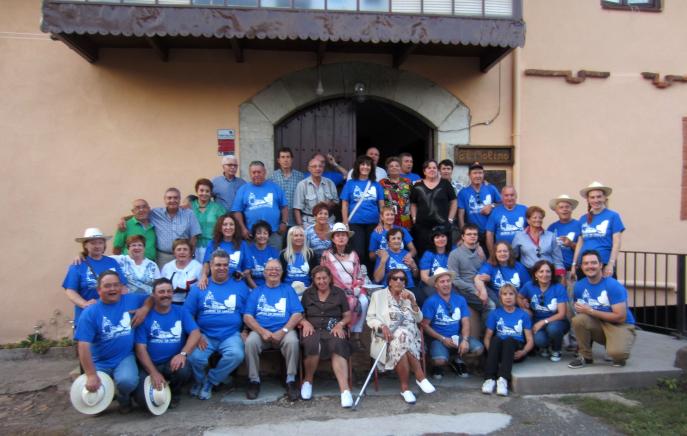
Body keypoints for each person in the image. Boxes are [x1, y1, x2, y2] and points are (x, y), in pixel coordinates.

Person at [74, 271, 150, 413]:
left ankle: (123, 397)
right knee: (94, 393)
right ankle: (102, 399)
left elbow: (150, 298)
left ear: (121, 287)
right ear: (99, 290)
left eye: (116, 285)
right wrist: (91, 375)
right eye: (107, 286)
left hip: (124, 357)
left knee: (127, 381)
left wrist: (144, 309)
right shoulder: (90, 313)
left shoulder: (130, 300)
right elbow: (83, 346)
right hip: (99, 361)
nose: (113, 289)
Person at [184, 250, 249, 400]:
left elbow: (248, 311)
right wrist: (196, 334)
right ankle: (200, 381)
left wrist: (245, 330)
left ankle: (210, 381)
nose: (222, 268)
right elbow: (187, 313)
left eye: (225, 265)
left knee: (236, 355)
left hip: (231, 334)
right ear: (211, 266)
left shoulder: (240, 286)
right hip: (205, 334)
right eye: (218, 265)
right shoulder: (199, 287)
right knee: (195, 358)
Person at [366, 268, 435, 404]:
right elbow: (370, 318)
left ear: (405, 282)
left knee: (402, 337)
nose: (399, 281)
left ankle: (405, 388)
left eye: (402, 279)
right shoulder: (378, 296)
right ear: (389, 282)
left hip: (411, 336)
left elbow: (419, 319)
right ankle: (420, 377)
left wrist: (412, 302)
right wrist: (382, 326)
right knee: (400, 336)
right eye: (395, 278)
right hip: (386, 335)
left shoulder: (409, 295)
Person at [134, 278, 200, 408]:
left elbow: (195, 333)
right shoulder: (145, 316)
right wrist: (153, 372)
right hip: (149, 364)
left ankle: (174, 392)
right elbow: (140, 349)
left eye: (169, 291)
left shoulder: (181, 311)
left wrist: (182, 354)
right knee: (142, 402)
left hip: (171, 363)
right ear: (153, 295)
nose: (166, 295)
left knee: (183, 370)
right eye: (161, 292)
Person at [243, 259, 304, 401]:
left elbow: (297, 314)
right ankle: (254, 381)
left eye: (277, 269)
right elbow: (247, 316)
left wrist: (283, 331)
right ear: (264, 273)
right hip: (261, 332)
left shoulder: (288, 290)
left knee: (293, 342)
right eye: (270, 269)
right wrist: (262, 332)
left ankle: (290, 380)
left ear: (282, 273)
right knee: (250, 342)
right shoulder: (257, 291)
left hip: (284, 331)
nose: (273, 272)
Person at [568, 250, 636, 369]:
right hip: (598, 323)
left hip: (619, 325)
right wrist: (584, 310)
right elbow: (581, 310)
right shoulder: (579, 286)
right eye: (586, 263)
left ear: (600, 265)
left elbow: (620, 317)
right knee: (578, 320)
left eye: (593, 263)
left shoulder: (613, 285)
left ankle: (618, 345)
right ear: (581, 267)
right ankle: (585, 356)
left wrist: (590, 311)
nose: (590, 266)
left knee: (617, 354)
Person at [299, 266, 354, 407]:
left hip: (333, 329)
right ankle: (308, 381)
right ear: (314, 280)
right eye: (318, 278)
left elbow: (348, 316)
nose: (321, 281)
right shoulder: (308, 294)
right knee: (313, 344)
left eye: (324, 278)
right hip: (313, 329)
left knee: (338, 344)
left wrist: (340, 324)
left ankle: (345, 390)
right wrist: (305, 322)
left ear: (330, 278)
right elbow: (300, 314)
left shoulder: (339, 293)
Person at [421, 268, 484, 380]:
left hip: (456, 337)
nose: (446, 284)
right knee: (439, 360)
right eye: (442, 282)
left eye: (448, 281)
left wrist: (465, 340)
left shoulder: (460, 299)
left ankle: (457, 359)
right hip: (439, 339)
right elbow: (425, 325)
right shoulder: (430, 301)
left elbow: (465, 321)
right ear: (436, 285)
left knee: (479, 349)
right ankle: (438, 365)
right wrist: (442, 339)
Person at [63, 228, 128, 327]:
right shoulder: (78, 265)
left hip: (112, 316)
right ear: (85, 245)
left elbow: (123, 286)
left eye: (100, 243)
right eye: (93, 243)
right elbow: (70, 291)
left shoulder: (112, 262)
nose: (97, 246)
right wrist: (84, 304)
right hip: (89, 317)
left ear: (104, 244)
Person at [319, 223, 369, 349]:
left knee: (363, 301)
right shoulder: (327, 255)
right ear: (333, 238)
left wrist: (357, 287)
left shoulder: (354, 254)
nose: (341, 238)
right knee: (349, 302)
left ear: (347, 238)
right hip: (334, 289)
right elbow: (322, 274)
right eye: (338, 235)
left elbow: (358, 274)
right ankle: (345, 331)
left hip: (352, 288)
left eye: (343, 235)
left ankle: (356, 334)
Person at [481, 284, 534, 397]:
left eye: (511, 294)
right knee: (496, 339)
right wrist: (493, 353)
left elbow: (530, 340)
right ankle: (489, 379)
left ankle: (503, 380)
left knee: (509, 340)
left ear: (515, 296)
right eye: (505, 294)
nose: (508, 297)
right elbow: (487, 338)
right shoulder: (495, 314)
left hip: (515, 350)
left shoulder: (523, 314)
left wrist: (524, 351)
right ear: (500, 297)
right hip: (499, 350)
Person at [517, 260, 569, 361]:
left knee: (553, 329)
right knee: (539, 340)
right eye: (541, 271)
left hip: (557, 321)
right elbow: (518, 296)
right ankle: (546, 346)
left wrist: (543, 322)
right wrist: (524, 307)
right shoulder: (529, 286)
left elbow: (562, 314)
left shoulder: (558, 288)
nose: (544, 274)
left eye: (548, 271)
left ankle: (556, 349)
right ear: (535, 274)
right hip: (537, 321)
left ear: (552, 273)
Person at [571, 182, 625, 278]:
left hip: (603, 263)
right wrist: (574, 264)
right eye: (592, 197)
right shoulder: (583, 219)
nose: (596, 200)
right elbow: (580, 243)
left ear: (604, 198)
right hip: (584, 264)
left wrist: (611, 264)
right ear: (588, 200)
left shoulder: (613, 216)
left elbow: (617, 242)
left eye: (599, 196)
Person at [232, 161, 288, 251]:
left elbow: (284, 206)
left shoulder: (275, 187)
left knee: (274, 258)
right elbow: (237, 211)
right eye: (253, 172)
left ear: (264, 172)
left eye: (259, 172)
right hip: (251, 235)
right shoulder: (243, 189)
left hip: (274, 233)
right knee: (252, 259)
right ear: (250, 173)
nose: (256, 175)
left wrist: (284, 223)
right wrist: (243, 229)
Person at [341, 155, 385, 269]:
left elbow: (382, 205)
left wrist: (381, 223)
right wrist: (345, 223)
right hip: (355, 222)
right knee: (358, 252)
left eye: (368, 165)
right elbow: (344, 205)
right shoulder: (350, 183)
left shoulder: (376, 185)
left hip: (374, 223)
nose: (365, 167)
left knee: (372, 252)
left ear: (371, 168)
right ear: (358, 167)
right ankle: (359, 275)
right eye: (362, 164)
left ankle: (371, 276)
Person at [410, 159, 457, 256]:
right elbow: (413, 204)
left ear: (437, 170)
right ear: (424, 171)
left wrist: (450, 219)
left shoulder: (445, 184)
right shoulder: (417, 186)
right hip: (422, 228)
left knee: (443, 253)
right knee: (423, 254)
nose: (432, 170)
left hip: (442, 226)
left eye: (434, 168)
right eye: (429, 168)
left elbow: (454, 201)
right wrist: (414, 218)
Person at [149, 187, 202, 268]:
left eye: (175, 198)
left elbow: (194, 237)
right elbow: (140, 214)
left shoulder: (189, 214)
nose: (172, 200)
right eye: (169, 198)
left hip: (183, 256)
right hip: (163, 257)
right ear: (164, 200)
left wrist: (190, 255)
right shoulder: (155, 214)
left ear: (179, 199)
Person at [457, 162, 501, 255]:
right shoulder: (463, 192)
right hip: (473, 233)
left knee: (493, 256)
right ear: (469, 175)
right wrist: (463, 234)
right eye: (475, 173)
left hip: (491, 231)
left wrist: (491, 206)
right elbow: (461, 215)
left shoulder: (491, 189)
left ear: (483, 174)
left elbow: (501, 203)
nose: (478, 176)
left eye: (480, 173)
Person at [198, 214, 249, 288]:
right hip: (216, 282)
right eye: (225, 224)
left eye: (231, 224)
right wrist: (204, 276)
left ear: (235, 227)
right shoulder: (212, 243)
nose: (228, 227)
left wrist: (242, 274)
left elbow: (248, 268)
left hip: (236, 282)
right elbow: (207, 264)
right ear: (220, 227)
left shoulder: (243, 244)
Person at [475, 241, 531, 309]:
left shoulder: (519, 266)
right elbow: (478, 278)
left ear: (510, 253)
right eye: (499, 251)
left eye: (505, 251)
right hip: (499, 303)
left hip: (517, 302)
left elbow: (528, 286)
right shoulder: (489, 266)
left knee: (527, 313)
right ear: (495, 253)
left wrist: (524, 299)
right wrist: (483, 292)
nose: (502, 253)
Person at [511, 206, 565, 275]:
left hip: (547, 273)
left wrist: (561, 274)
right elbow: (513, 256)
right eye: (535, 217)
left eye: (540, 217)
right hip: (528, 273)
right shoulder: (519, 236)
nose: (538, 220)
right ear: (528, 220)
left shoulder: (551, 236)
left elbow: (558, 259)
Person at [373, 228, 421, 305]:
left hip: (409, 288)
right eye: (393, 238)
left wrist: (413, 266)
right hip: (391, 289)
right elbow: (377, 279)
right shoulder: (384, 254)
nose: (396, 241)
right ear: (388, 242)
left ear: (402, 241)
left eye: (399, 238)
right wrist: (383, 261)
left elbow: (415, 275)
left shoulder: (407, 254)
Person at [294, 156, 338, 227]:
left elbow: (335, 202)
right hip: (309, 223)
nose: (317, 168)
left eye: (320, 166)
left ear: (323, 168)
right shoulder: (302, 185)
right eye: (314, 166)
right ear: (309, 169)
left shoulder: (330, 183)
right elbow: (297, 208)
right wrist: (300, 225)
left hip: (328, 222)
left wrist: (328, 204)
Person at [191, 178, 227, 262]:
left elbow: (224, 226)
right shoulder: (190, 207)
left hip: (212, 247)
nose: (204, 193)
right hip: (193, 247)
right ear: (196, 191)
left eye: (207, 191)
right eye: (201, 190)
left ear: (211, 193)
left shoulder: (218, 208)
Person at [160, 239, 203, 305]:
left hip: (191, 304)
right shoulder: (167, 267)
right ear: (174, 252)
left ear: (190, 252)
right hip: (169, 304)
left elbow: (202, 289)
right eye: (179, 249)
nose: (182, 252)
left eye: (185, 249)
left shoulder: (198, 267)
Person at [486, 186, 527, 253]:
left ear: (516, 196)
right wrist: (491, 253)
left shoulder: (524, 209)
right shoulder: (495, 211)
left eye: (512, 195)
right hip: (502, 253)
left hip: (522, 252)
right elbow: (489, 234)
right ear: (502, 197)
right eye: (506, 195)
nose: (509, 198)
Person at [270, 147, 305, 227]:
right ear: (278, 160)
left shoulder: (300, 176)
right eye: (282, 157)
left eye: (288, 157)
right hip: (279, 219)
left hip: (296, 218)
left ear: (292, 159)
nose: (285, 160)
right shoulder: (273, 177)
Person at [547, 194, 582, 273]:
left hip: (574, 269)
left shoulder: (579, 225)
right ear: (556, 211)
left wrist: (571, 244)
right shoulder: (551, 228)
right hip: (557, 270)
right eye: (561, 207)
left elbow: (585, 248)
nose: (564, 209)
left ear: (571, 209)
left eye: (567, 207)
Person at [378, 157, 413, 229]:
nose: (394, 167)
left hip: (405, 219)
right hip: (388, 219)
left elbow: (413, 201)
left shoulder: (408, 182)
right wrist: (380, 222)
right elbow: (379, 204)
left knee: (405, 235)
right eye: (391, 166)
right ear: (387, 170)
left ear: (400, 168)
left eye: (397, 166)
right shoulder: (382, 183)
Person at [244, 220, 279, 289]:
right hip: (252, 287)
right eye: (259, 233)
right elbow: (247, 276)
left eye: (265, 233)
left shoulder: (274, 252)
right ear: (254, 235)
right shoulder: (248, 251)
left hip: (270, 287)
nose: (262, 236)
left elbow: (276, 274)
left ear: (269, 236)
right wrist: (257, 290)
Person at [419, 228, 451, 295]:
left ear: (447, 238)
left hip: (449, 284)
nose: (440, 239)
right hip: (431, 285)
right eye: (437, 237)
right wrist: (439, 286)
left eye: (443, 236)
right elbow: (424, 277)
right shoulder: (428, 254)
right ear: (433, 240)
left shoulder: (452, 252)